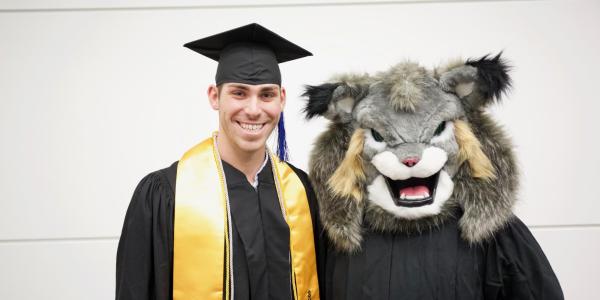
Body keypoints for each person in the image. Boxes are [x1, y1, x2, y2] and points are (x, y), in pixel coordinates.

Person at [116, 23, 324, 300]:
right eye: (239, 93)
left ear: (281, 99)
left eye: (266, 94)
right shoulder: (166, 195)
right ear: (215, 97)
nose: (253, 110)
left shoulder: (302, 191)